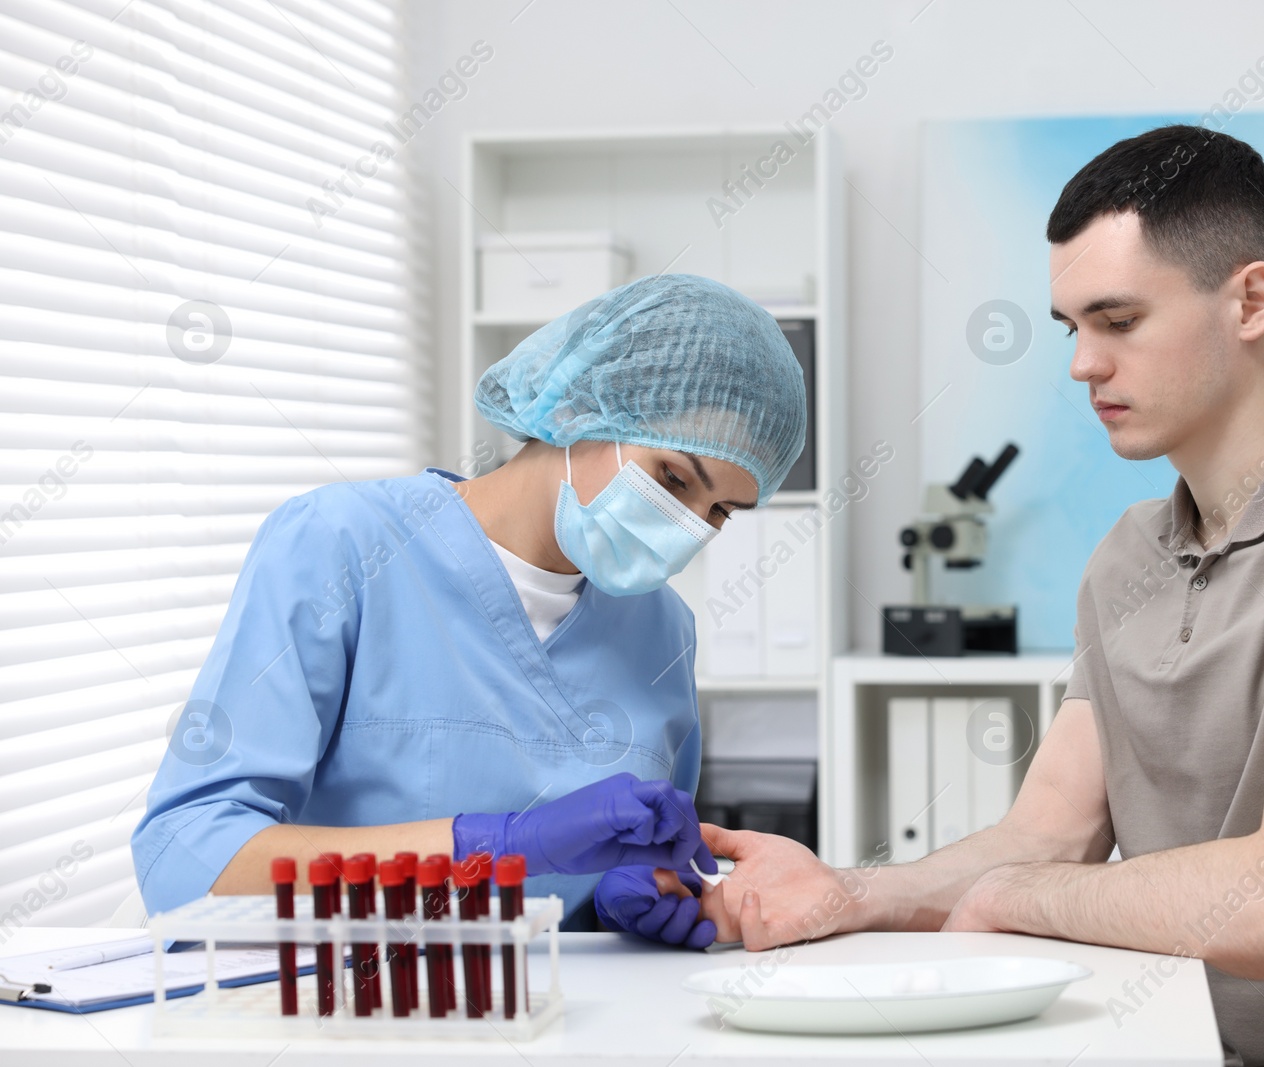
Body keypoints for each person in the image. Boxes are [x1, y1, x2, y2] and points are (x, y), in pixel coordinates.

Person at [691, 127, 1264, 1066]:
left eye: (1118, 321)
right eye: (1071, 328)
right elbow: (1046, 833)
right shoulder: (1127, 558)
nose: (1083, 364)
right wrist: (845, 891)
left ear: (1251, 299)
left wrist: (1018, 897)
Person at [131, 274, 806, 939]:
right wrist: (498, 845)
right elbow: (185, 860)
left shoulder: (664, 632)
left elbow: (631, 868)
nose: (688, 524)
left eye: (720, 509)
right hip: (354, 1020)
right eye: (674, 478)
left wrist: (622, 903)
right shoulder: (341, 547)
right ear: (580, 407)